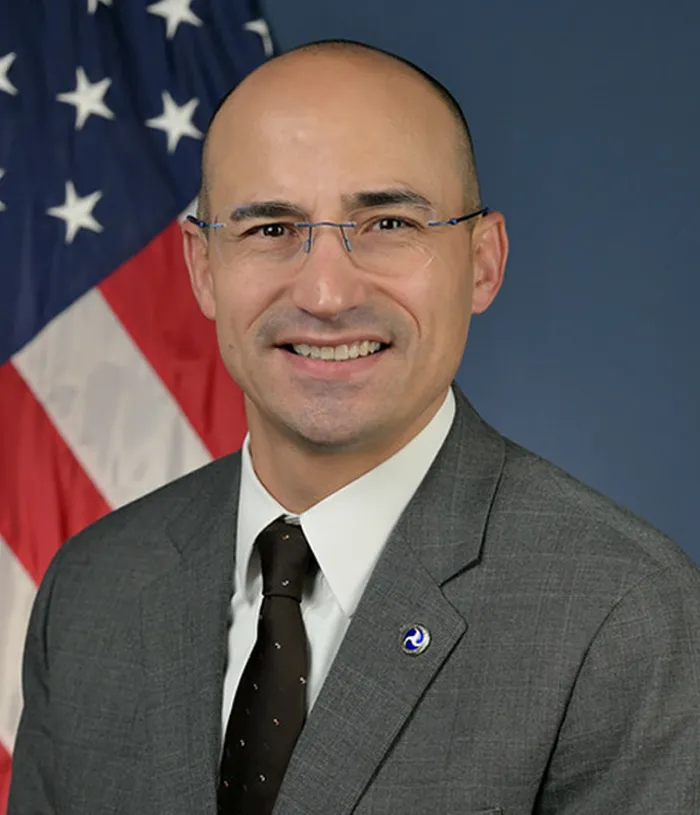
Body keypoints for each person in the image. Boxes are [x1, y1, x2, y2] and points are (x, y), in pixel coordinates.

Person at [9, 39, 700, 815]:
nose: (328, 293)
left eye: (388, 223)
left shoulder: (621, 613)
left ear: (482, 263)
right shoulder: (92, 589)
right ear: (203, 269)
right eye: (271, 229)